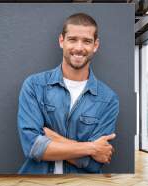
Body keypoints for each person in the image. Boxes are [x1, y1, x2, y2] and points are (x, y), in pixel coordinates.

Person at [17, 13, 119, 174]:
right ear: (61, 41)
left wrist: (51, 137)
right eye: (72, 39)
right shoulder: (34, 86)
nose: (79, 48)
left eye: (87, 41)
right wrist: (91, 148)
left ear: (95, 45)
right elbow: (33, 147)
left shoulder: (108, 99)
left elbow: (94, 164)